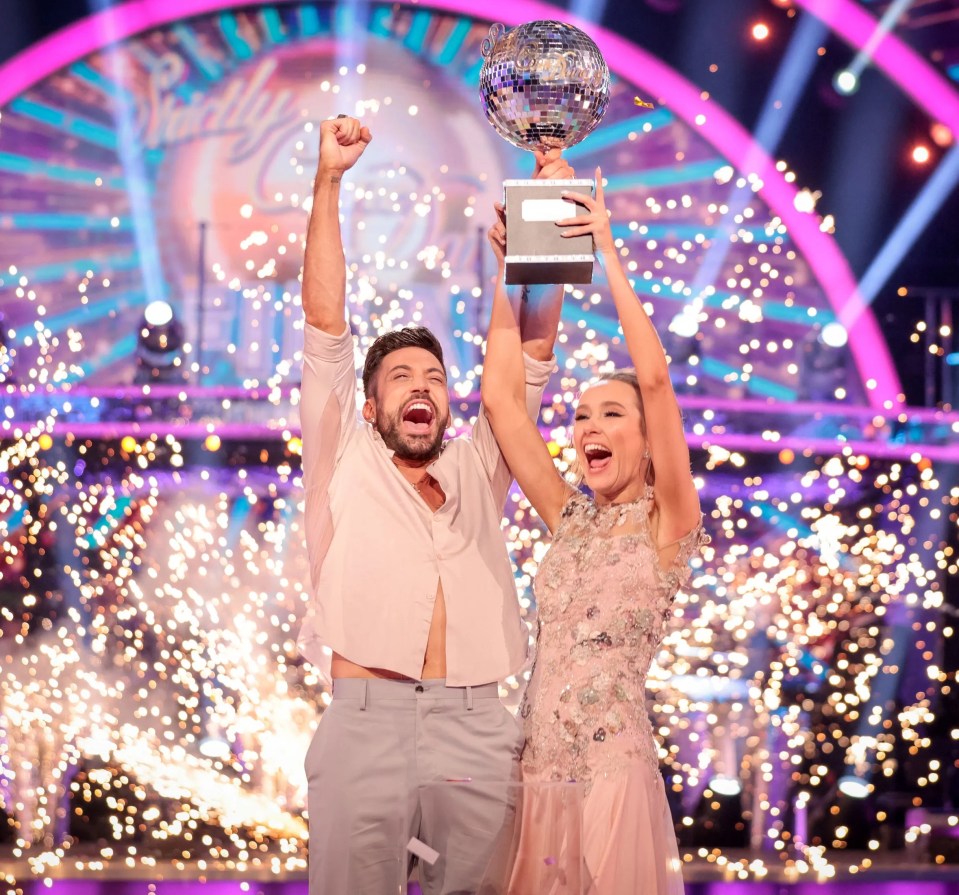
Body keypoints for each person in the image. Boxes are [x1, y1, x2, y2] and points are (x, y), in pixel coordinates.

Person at [297, 115, 572, 894]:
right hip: (364, 724)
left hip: (478, 728)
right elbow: (324, 324)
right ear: (370, 402)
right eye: (400, 377)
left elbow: (528, 363)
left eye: (434, 377)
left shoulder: (479, 466)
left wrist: (539, 234)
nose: (421, 386)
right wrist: (329, 181)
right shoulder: (341, 453)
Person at [481, 168, 709, 894]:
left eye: (609, 414)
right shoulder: (569, 518)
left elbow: (656, 381)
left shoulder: (668, 521)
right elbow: (501, 402)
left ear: (645, 439)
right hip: (535, 777)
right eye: (580, 416)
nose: (587, 427)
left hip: (611, 780)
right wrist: (509, 274)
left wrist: (605, 249)